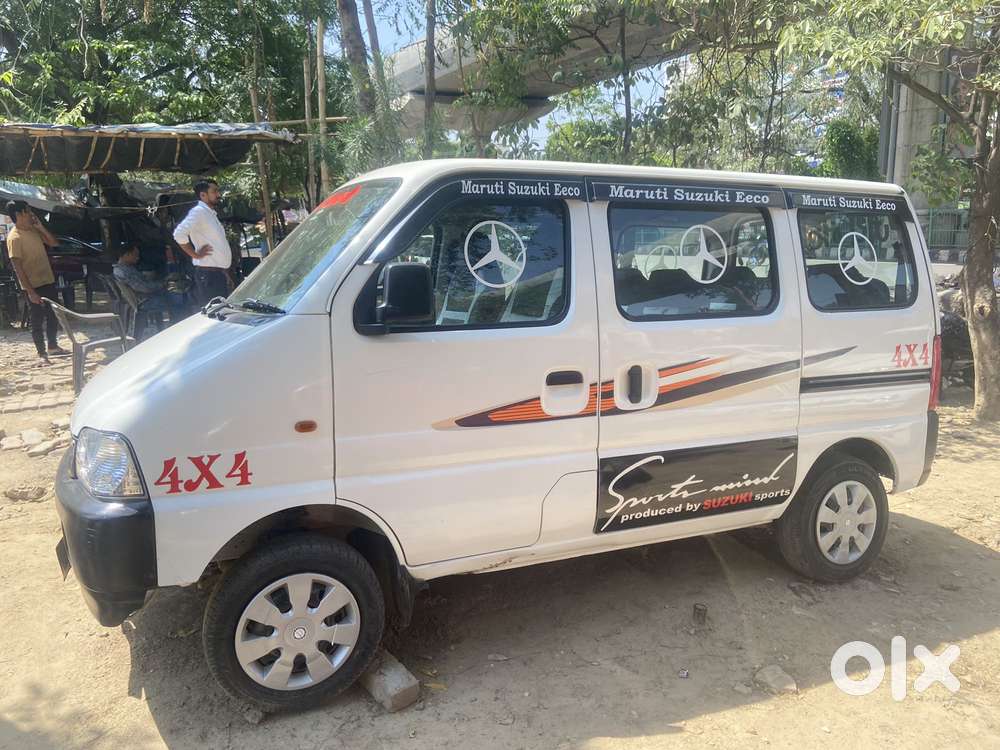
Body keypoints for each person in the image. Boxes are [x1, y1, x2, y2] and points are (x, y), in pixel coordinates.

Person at [5, 200, 67, 363]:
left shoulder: (33, 229)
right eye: (28, 211)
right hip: (32, 286)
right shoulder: (14, 237)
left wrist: (40, 227)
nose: (31, 213)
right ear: (19, 215)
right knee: (37, 320)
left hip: (47, 279)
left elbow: (54, 243)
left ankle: (53, 346)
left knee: (53, 315)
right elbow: (18, 268)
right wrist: (30, 291)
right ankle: (42, 354)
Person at [172, 179, 232, 305]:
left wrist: (224, 271)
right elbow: (179, 234)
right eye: (214, 191)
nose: (218, 195)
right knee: (215, 315)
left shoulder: (209, 214)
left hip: (217, 274)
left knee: (223, 313)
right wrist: (195, 254)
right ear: (203, 195)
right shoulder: (199, 212)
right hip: (208, 276)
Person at [113, 244, 181, 339]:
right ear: (126, 255)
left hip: (145, 298)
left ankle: (170, 330)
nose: (138, 258)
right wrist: (164, 282)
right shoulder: (123, 271)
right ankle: (177, 332)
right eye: (135, 255)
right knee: (179, 301)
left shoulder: (125, 268)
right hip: (145, 301)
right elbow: (144, 288)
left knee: (175, 296)